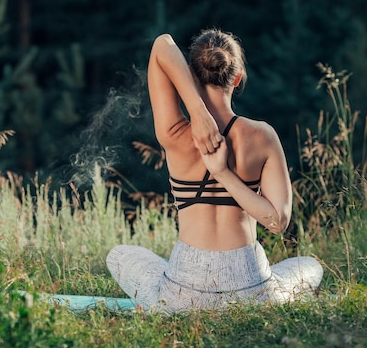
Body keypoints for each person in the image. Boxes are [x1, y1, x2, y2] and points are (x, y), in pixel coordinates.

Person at [106, 29, 323, 313]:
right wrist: (224, 172)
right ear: (237, 78)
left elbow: (162, 45)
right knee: (310, 266)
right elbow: (278, 223)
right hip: (252, 292)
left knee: (119, 255)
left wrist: (197, 115)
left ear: (191, 77)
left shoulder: (174, 132)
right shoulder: (263, 136)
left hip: (182, 294)